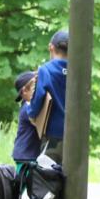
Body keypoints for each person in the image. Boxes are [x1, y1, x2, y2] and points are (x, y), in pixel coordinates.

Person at [27, 30, 69, 164]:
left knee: (49, 177)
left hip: (53, 135)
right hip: (75, 136)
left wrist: (30, 112)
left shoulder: (46, 70)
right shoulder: (77, 71)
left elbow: (38, 97)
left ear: (51, 47)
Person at [12, 71, 42, 168]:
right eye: (35, 88)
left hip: (28, 154)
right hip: (25, 155)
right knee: (26, 182)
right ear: (24, 91)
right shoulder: (27, 108)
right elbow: (41, 123)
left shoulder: (29, 105)